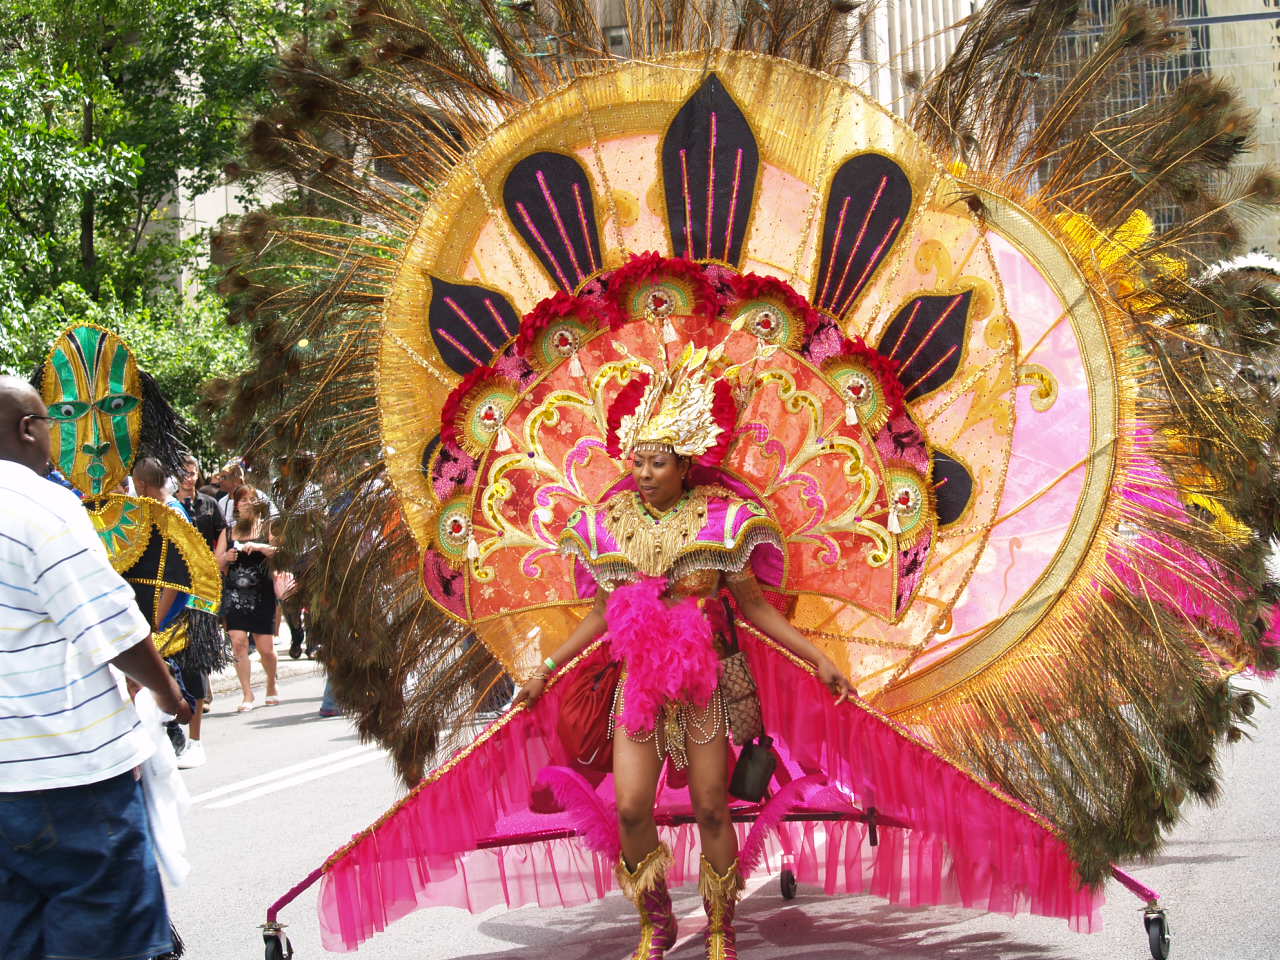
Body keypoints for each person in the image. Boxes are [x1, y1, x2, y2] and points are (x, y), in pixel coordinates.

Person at [512, 355, 854, 959]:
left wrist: (818, 657)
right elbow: (598, 617)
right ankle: (657, 920)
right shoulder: (608, 524)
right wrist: (546, 670)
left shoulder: (725, 521)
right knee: (630, 807)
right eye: (637, 461)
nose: (643, 473)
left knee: (712, 810)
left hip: (704, 685)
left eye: (657, 462)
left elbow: (756, 609)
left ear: (686, 465)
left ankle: (722, 928)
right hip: (638, 684)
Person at [0, 376, 192, 960]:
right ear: (29, 429)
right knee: (107, 938)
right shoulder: (37, 504)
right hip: (67, 775)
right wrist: (168, 696)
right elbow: (114, 627)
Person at [173, 454, 223, 769]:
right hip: (172, 593)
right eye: (183, 472)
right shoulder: (166, 507)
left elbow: (222, 534)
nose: (188, 477)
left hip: (201, 594)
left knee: (196, 664)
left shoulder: (208, 504)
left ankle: (195, 740)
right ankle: (171, 733)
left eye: (192, 472)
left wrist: (214, 566)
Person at [217, 484, 280, 711]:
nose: (246, 504)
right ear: (235, 505)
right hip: (234, 594)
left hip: (262, 593)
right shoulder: (227, 532)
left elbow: (279, 552)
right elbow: (216, 562)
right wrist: (227, 556)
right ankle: (247, 693)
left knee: (266, 649)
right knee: (238, 642)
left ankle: (272, 683)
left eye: (251, 500)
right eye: (242, 500)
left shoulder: (267, 526)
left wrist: (260, 547)